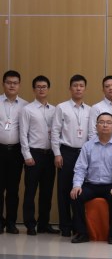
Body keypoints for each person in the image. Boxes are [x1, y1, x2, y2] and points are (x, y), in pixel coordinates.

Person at [69, 112, 112, 244]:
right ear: (96, 126)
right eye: (101, 122)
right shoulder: (88, 145)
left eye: (108, 122)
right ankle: (82, 233)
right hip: (91, 185)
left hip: (110, 185)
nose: (105, 125)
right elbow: (80, 168)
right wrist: (77, 185)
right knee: (75, 196)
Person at [51, 74, 90, 237]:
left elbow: (91, 134)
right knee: (64, 189)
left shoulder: (90, 110)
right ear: (70, 88)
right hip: (66, 152)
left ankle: (77, 225)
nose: (78, 88)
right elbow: (55, 131)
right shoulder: (62, 107)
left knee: (80, 189)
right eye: (75, 85)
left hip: (84, 153)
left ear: (85, 88)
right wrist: (57, 153)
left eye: (81, 86)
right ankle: (65, 226)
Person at [20, 75, 57, 235]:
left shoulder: (54, 110)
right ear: (34, 89)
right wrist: (27, 155)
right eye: (38, 87)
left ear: (48, 89)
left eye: (44, 87)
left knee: (47, 192)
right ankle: (30, 224)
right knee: (30, 191)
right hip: (34, 154)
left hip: (50, 155)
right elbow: (23, 134)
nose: (41, 89)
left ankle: (44, 224)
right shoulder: (27, 109)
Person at [0, 70, 28, 234]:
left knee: (13, 189)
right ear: (3, 84)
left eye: (15, 83)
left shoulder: (25, 105)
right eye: (9, 82)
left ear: (19, 85)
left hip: (16, 152)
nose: (12, 85)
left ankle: (11, 222)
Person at [88, 75, 112, 140]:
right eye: (107, 86)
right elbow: (92, 133)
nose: (111, 88)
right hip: (103, 145)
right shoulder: (96, 108)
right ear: (103, 90)